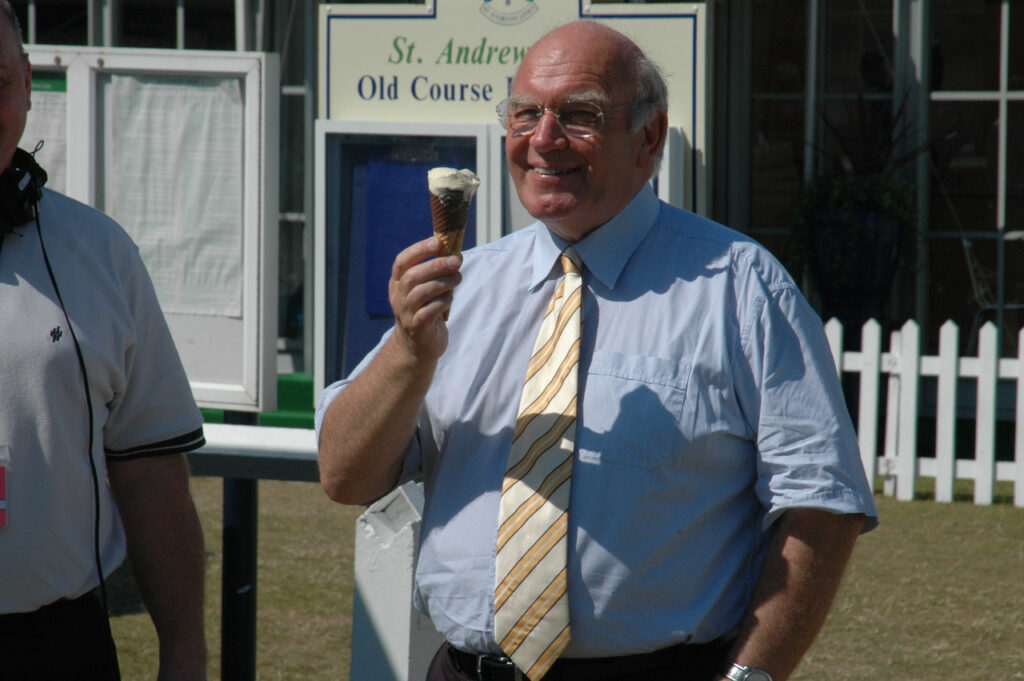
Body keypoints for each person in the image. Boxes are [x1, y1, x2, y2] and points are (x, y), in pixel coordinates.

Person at [317, 20, 878, 681]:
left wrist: (749, 677)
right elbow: (346, 476)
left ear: (649, 137)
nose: (543, 139)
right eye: (526, 113)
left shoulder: (738, 286)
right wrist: (409, 355)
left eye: (579, 115)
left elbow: (822, 502)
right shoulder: (465, 286)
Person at [0, 4, 208, 679]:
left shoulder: (101, 252)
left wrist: (184, 651)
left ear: (28, 83)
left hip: (58, 647)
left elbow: (149, 472)